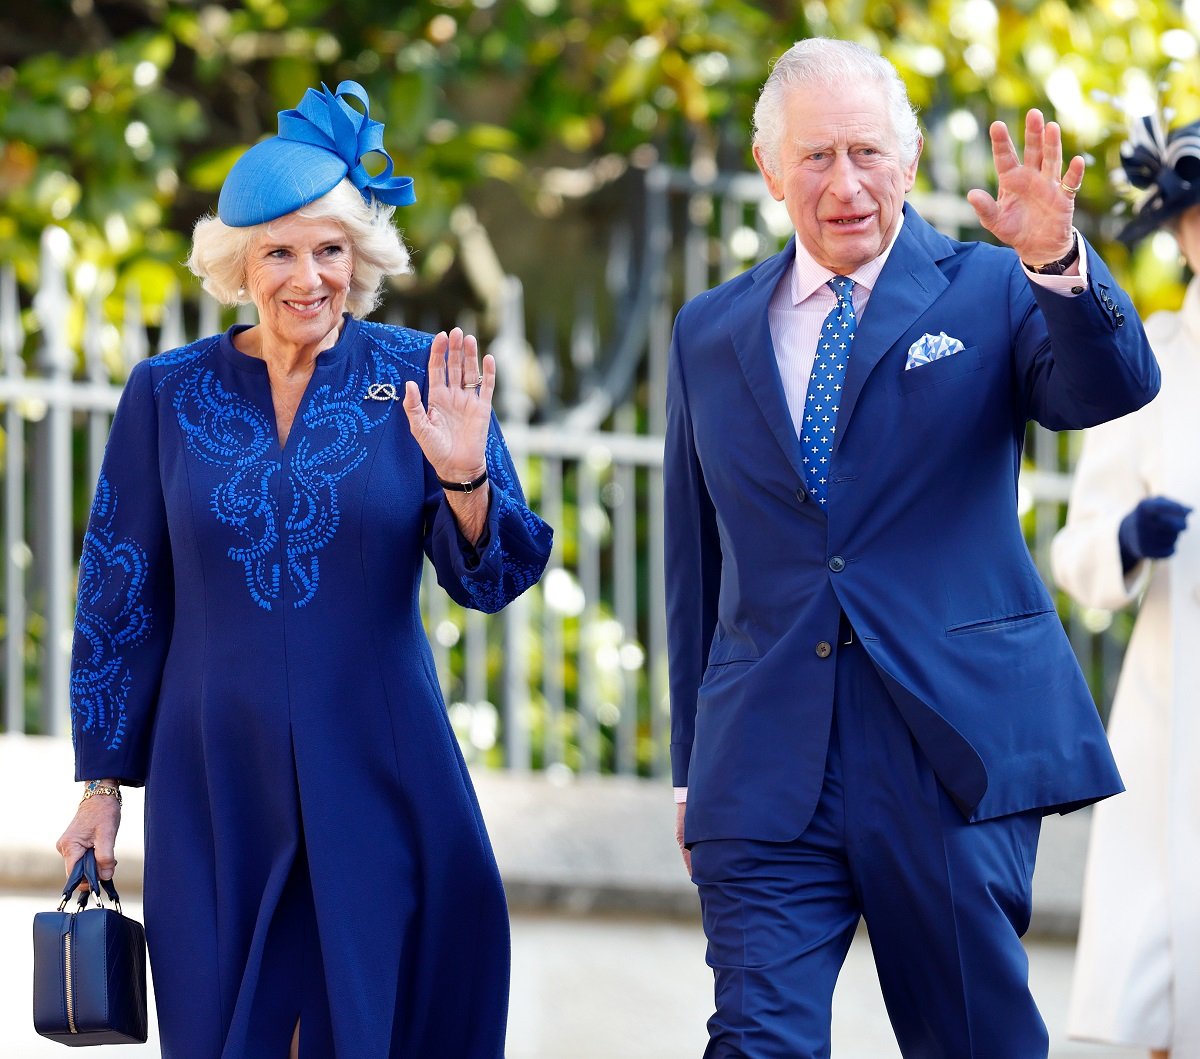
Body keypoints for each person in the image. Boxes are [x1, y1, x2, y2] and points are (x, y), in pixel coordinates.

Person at [664, 37, 1159, 1057]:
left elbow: (1110, 389)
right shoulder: (707, 331)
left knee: (970, 1038)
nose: (845, 185)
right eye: (815, 158)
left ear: (912, 157)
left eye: (867, 153)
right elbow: (692, 563)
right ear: (768, 169)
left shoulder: (991, 288)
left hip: (948, 746)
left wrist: (1058, 265)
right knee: (754, 1040)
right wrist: (688, 766)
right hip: (764, 758)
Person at [54, 80, 552, 1059]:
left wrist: (462, 479)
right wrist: (101, 786)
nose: (308, 276)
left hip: (380, 769)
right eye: (279, 250)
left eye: (331, 249)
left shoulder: (420, 373)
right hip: (215, 785)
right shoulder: (167, 392)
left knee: (372, 1024)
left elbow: (494, 576)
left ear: (361, 259)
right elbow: (119, 591)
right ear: (237, 262)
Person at [1054, 113, 1200, 1059]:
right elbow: (1078, 555)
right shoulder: (1152, 361)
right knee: (1165, 989)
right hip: (1176, 723)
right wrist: (1129, 539)